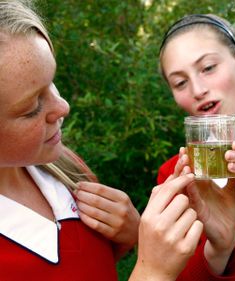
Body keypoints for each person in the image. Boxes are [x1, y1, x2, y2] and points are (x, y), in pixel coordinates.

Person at [0, 1, 140, 280]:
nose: (63, 107)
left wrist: (130, 235)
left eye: (51, 82)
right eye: (32, 108)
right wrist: (153, 272)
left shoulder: (66, 167)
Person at [157, 13, 235, 280]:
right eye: (180, 82)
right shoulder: (176, 176)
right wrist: (218, 252)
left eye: (208, 67)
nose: (198, 89)